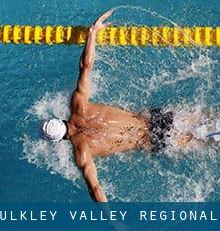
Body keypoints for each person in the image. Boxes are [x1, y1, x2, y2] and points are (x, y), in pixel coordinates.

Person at [41, 11, 193, 202]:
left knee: (210, 141)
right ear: (59, 119)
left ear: (59, 140)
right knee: (209, 118)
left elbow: (95, 189)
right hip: (155, 118)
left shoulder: (82, 152)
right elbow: (86, 66)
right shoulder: (78, 105)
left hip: (154, 140)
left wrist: (113, 221)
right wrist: (92, 33)